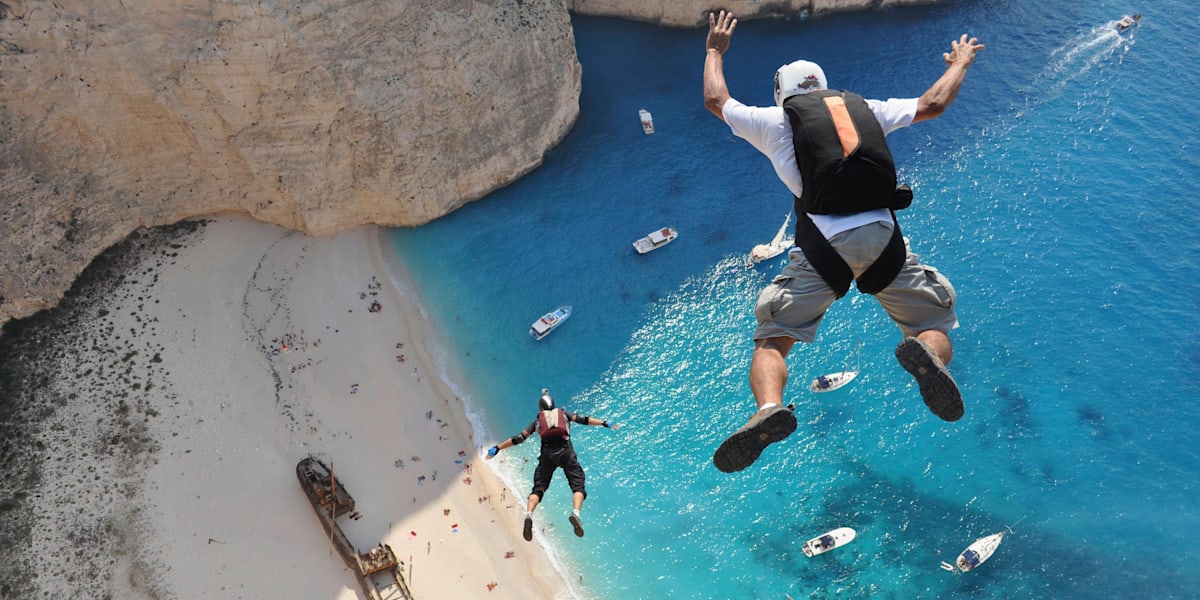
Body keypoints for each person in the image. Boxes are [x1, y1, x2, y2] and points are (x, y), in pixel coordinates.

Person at [702, 10, 985, 473]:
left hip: (822, 251)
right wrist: (959, 62)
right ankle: (929, 355)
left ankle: (769, 408)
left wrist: (715, 50)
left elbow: (716, 99)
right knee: (932, 316)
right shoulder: (867, 108)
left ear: (783, 95)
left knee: (773, 339)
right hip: (883, 238)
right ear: (823, 85)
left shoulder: (774, 122)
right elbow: (934, 103)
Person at [485, 388, 620, 540]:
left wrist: (497, 448)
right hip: (566, 453)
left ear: (540, 407)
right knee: (578, 486)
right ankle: (576, 513)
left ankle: (529, 514)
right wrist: (604, 423)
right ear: (553, 404)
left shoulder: (537, 421)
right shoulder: (563, 414)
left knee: (538, 489)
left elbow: (519, 438)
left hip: (547, 456)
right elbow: (584, 420)